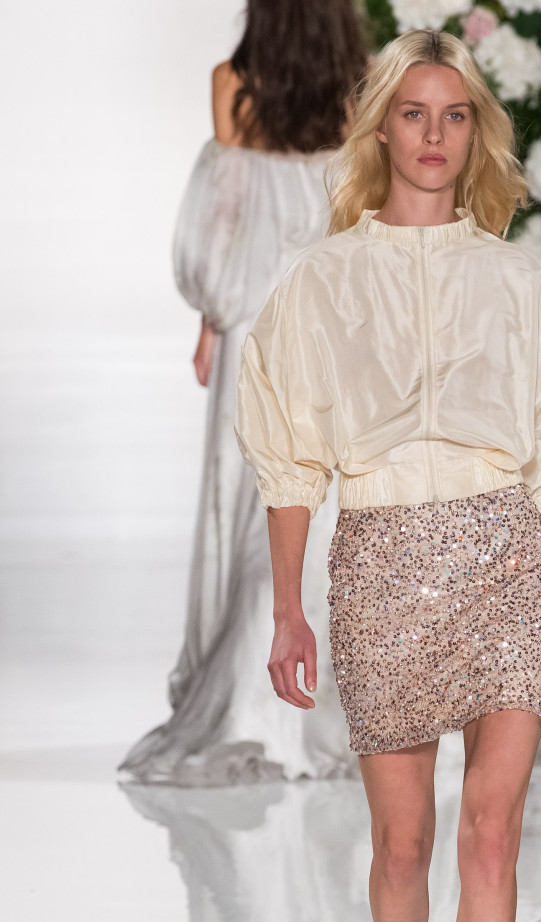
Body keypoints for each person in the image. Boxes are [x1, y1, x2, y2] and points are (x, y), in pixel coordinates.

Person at [234, 29, 541, 922]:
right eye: (413, 113)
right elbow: (289, 457)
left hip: (503, 561)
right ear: (380, 128)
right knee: (400, 845)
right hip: (381, 562)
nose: (433, 135)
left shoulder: (515, 281)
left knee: (490, 838)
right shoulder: (320, 282)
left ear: (475, 133)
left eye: (454, 114)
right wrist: (289, 610)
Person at [119, 0, 368, 785]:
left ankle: (252, 693)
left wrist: (210, 319)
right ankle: (344, 689)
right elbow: (367, 209)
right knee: (332, 497)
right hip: (336, 311)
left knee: (256, 494)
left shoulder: (234, 83)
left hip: (255, 316)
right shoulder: (363, 86)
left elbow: (223, 212)